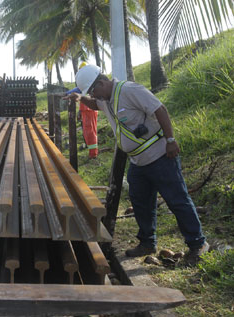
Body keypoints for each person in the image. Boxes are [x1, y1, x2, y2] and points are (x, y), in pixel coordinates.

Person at [66, 64, 208, 264]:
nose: (94, 95)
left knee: (177, 200)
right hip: (138, 162)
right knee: (141, 202)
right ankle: (147, 242)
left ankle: (198, 244)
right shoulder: (104, 99)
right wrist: (80, 97)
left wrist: (170, 140)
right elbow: (95, 104)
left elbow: (160, 109)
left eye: (93, 90)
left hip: (160, 157)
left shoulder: (129, 90)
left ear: (101, 83)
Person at [66, 86, 98, 158]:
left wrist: (66, 94)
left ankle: (93, 154)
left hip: (89, 109)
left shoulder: (87, 83)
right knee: (87, 132)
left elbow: (78, 90)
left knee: (90, 132)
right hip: (86, 109)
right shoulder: (85, 83)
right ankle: (91, 152)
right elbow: (78, 90)